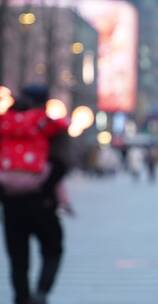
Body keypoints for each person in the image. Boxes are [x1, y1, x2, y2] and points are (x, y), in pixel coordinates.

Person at [0, 85, 72, 304]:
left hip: (10, 202)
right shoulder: (48, 125)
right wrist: (47, 188)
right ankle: (41, 292)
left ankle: (22, 298)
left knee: (17, 258)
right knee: (53, 248)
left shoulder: (4, 123)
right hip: (43, 202)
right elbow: (62, 163)